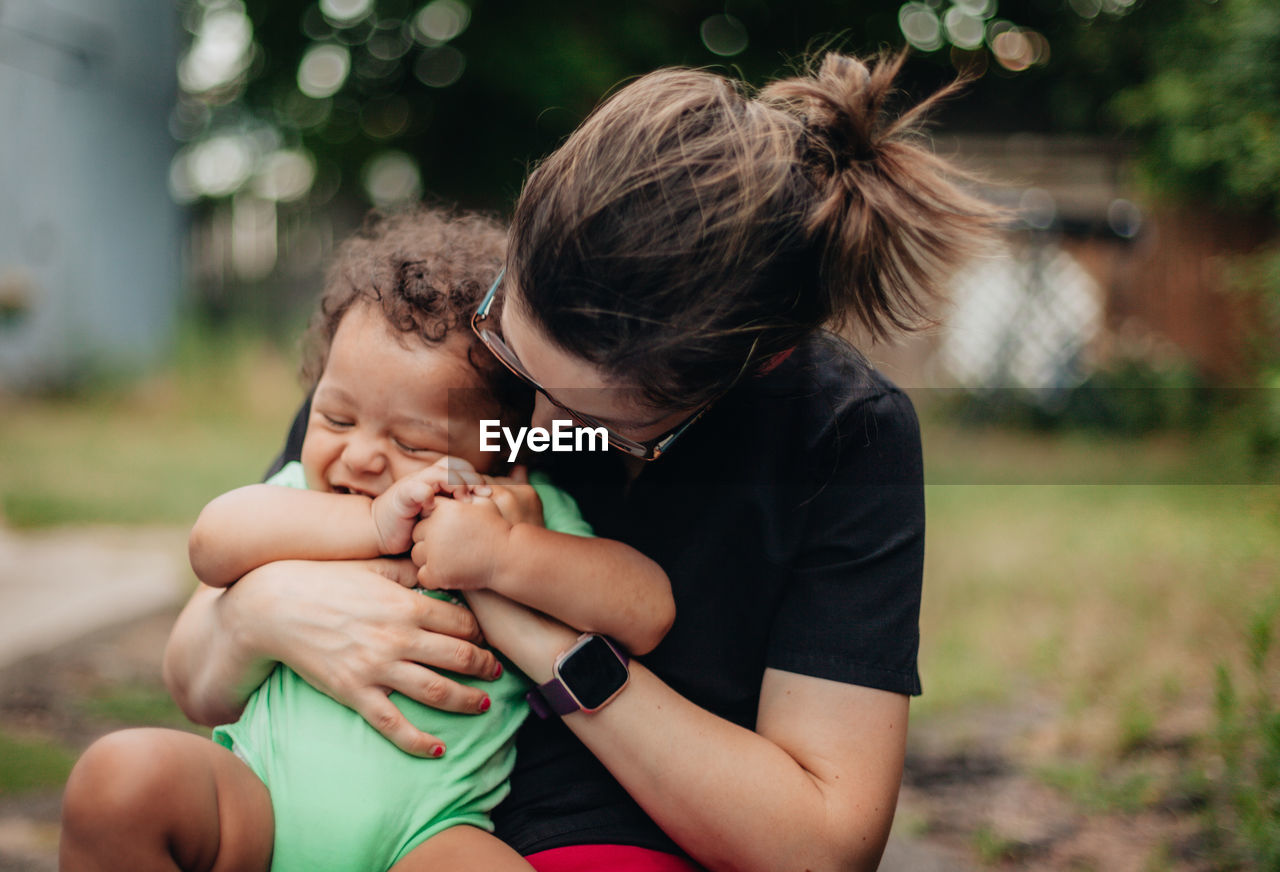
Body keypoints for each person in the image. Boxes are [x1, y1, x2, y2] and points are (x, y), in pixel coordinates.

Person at [161, 52, 999, 872]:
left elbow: (819, 847)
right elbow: (197, 663)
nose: (527, 423)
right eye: (512, 354)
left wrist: (534, 626)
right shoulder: (438, 342)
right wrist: (258, 610)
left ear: (741, 376)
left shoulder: (842, 436)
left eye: (594, 418)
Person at [58, 208, 675, 872]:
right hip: (252, 808)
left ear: (502, 449)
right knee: (120, 778)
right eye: (335, 416)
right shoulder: (307, 498)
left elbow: (647, 611)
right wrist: (373, 525)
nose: (360, 456)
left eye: (411, 442)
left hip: (425, 834)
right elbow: (212, 541)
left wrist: (504, 554)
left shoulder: (510, 512)